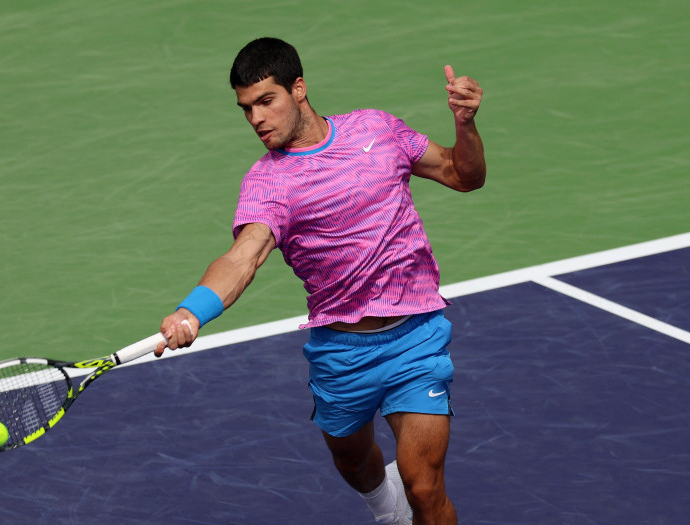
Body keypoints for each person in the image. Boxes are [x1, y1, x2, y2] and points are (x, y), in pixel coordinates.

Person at [154, 37, 484, 525]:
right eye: (246, 109)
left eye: (267, 101)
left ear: (299, 89)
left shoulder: (376, 129)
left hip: (416, 338)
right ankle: (384, 507)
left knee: (424, 485)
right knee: (352, 460)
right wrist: (191, 310)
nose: (257, 119)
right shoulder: (268, 183)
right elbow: (243, 257)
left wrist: (465, 124)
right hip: (340, 351)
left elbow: (463, 174)